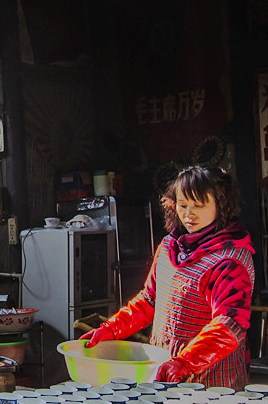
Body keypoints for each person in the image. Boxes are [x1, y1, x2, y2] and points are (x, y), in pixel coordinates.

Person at [81, 165, 256, 387]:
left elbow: (229, 324)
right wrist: (112, 329)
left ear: (221, 205)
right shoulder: (169, 247)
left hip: (212, 377)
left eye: (199, 206)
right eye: (182, 205)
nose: (188, 214)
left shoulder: (228, 259)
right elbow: (149, 300)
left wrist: (186, 362)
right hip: (164, 366)